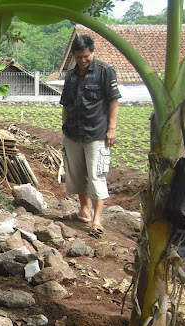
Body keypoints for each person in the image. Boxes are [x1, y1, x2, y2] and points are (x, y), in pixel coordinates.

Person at [60, 34, 121, 238]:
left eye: (85, 56)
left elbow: (113, 102)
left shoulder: (105, 71)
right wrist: (64, 126)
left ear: (92, 52)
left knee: (96, 176)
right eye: (78, 57)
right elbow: (66, 105)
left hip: (96, 133)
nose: (82, 60)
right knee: (77, 175)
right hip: (73, 132)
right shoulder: (70, 76)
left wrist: (111, 129)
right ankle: (84, 211)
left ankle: (97, 219)